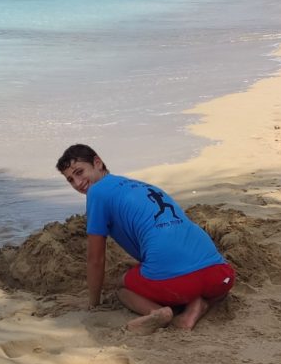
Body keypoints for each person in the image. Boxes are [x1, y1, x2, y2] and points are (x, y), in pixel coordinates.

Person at [56, 143, 235, 333]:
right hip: (221, 276)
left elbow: (95, 259)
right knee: (191, 277)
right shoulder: (144, 186)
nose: (77, 183)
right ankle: (196, 306)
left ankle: (159, 312)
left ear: (98, 163)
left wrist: (92, 303)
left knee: (121, 289)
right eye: (70, 180)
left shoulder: (97, 192)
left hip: (179, 283)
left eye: (79, 172)